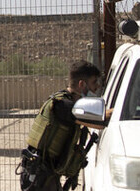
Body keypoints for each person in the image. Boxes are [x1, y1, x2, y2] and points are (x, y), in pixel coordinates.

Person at [18, 60, 103, 191]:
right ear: (81, 84)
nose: (97, 87)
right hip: (41, 177)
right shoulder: (63, 105)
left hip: (45, 173)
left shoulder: (64, 101)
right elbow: (100, 121)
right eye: (94, 82)